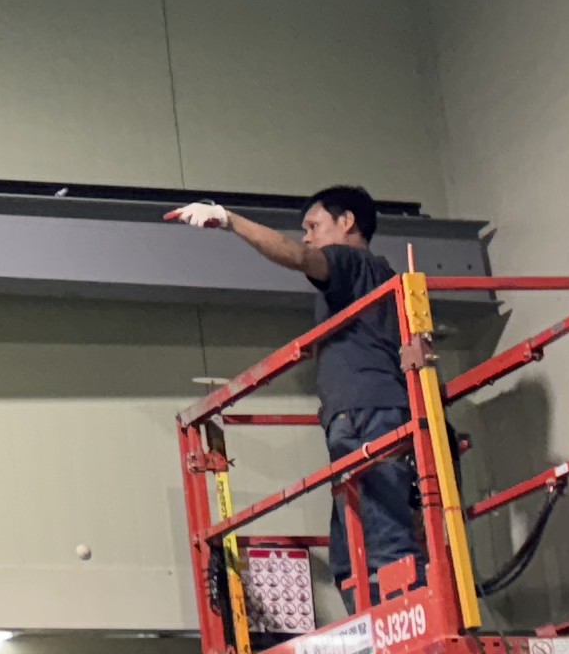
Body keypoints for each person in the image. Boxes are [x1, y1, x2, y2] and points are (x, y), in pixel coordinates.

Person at [169, 185, 436, 610]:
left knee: (384, 539)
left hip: (367, 414)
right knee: (350, 554)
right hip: (364, 414)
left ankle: (409, 619)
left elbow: (297, 256)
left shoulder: (351, 262)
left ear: (347, 222)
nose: (308, 237)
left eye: (314, 226)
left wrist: (230, 220)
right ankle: (382, 626)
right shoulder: (377, 280)